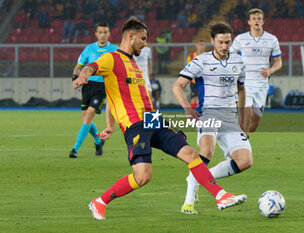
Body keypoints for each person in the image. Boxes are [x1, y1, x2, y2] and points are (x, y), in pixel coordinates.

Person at [73, 16, 246, 220]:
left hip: (153, 119)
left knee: (191, 154)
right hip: (135, 125)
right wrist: (84, 75)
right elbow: (91, 67)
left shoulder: (133, 63)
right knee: (143, 176)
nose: (146, 43)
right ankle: (99, 202)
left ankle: (220, 195)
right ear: (131, 36)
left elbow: (114, 98)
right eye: (143, 38)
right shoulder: (111, 58)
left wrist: (110, 126)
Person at [172, 20, 252, 214]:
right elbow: (177, 86)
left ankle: (197, 177)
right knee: (206, 150)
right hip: (208, 113)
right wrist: (187, 109)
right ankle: (188, 202)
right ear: (212, 41)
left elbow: (241, 89)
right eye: (221, 42)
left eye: (228, 42)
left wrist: (243, 121)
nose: (225, 46)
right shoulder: (201, 61)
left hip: (230, 116)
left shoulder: (239, 62)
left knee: (245, 161)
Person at [69, 21, 119, 158]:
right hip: (87, 85)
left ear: (109, 34)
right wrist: (75, 78)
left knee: (89, 114)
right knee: (85, 119)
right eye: (100, 32)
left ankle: (75, 149)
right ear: (96, 34)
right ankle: (98, 142)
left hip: (103, 86)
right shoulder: (89, 49)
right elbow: (78, 66)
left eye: (105, 32)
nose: (103, 35)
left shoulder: (114, 49)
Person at [231, 8, 282, 136]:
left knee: (253, 126)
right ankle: (239, 148)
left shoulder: (272, 39)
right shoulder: (240, 39)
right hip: (245, 82)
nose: (256, 21)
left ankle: (236, 134)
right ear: (249, 22)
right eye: (254, 19)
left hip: (262, 83)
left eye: (259, 18)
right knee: (245, 124)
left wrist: (271, 70)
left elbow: (278, 62)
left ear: (263, 22)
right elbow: (230, 56)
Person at [186, 40, 206, 110]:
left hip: (203, 81)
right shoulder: (191, 56)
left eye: (202, 44)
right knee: (193, 98)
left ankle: (198, 114)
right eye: (199, 44)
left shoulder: (207, 56)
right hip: (193, 81)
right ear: (196, 46)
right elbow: (188, 69)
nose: (201, 46)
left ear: (205, 46)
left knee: (199, 99)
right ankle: (193, 115)